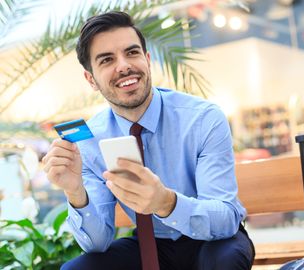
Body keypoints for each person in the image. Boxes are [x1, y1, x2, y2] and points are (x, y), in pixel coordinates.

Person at [42, 11, 254, 270]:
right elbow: (97, 244)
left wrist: (166, 202)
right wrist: (75, 192)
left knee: (223, 260)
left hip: (211, 240)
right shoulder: (89, 140)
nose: (123, 66)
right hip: (150, 243)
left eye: (132, 53)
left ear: (148, 59)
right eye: (107, 60)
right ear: (91, 79)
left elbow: (226, 220)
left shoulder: (202, 119)